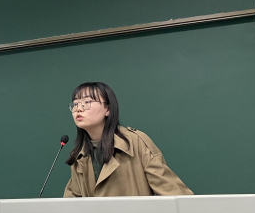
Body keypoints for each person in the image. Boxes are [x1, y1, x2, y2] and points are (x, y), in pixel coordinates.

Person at [63, 81, 192, 197]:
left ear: (108, 109)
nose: (78, 108)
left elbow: (173, 192)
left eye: (87, 102)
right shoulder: (79, 155)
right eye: (75, 104)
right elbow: (70, 204)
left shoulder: (135, 142)